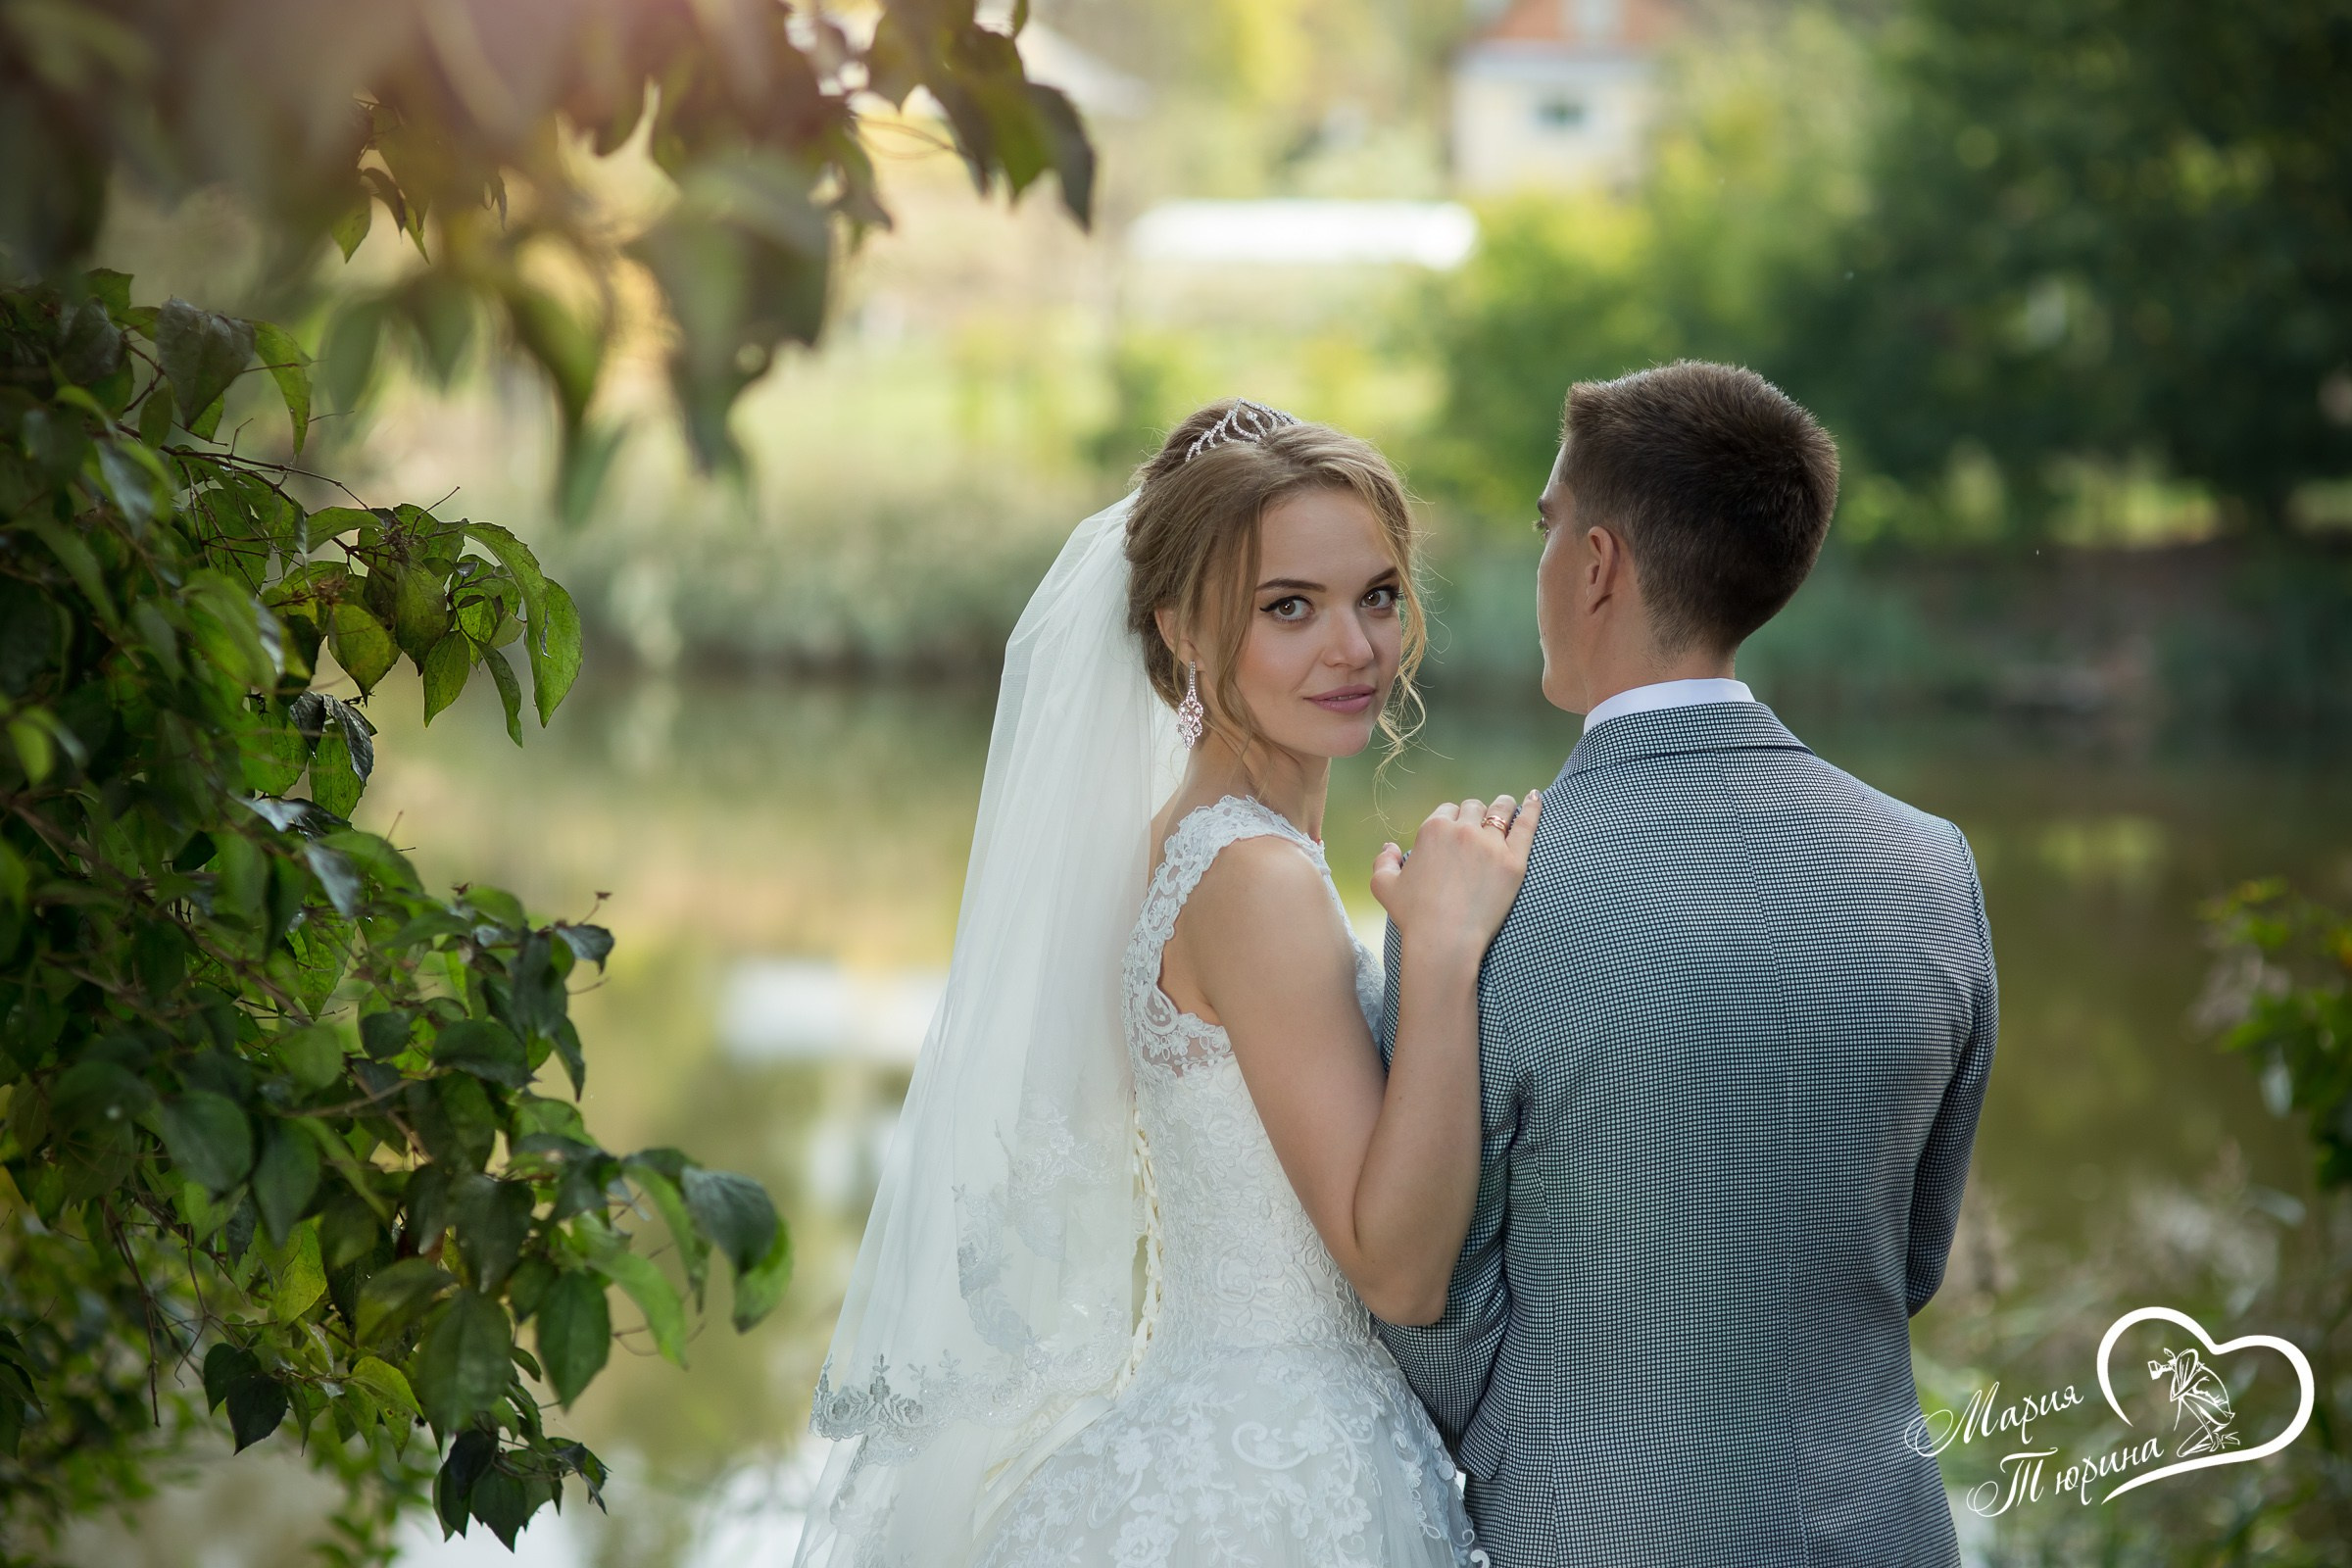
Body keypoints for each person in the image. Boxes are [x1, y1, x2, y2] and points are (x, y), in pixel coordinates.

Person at [795, 399, 1534, 1567]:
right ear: (1182, 626)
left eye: (1377, 595)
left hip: (1201, 1430)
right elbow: (1397, 1272)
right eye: (1289, 607)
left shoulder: (1176, 842)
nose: (1354, 646)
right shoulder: (1255, 878)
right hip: (1280, 1477)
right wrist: (1442, 955)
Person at [1371, 362, 1998, 1568]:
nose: (1545, 559)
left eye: (1551, 528)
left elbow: (1431, 1315)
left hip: (1597, 1530)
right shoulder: (1932, 863)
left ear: (1600, 564)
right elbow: (1911, 1253)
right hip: (1882, 1531)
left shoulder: (1478, 895)